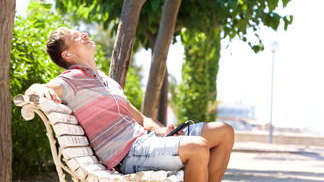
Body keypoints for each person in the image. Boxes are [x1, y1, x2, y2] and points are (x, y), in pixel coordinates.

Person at [25, 27, 234, 182]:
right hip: (128, 154)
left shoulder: (107, 81)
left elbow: (142, 120)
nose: (83, 35)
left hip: (146, 141)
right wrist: (37, 88)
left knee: (224, 132)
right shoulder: (73, 79)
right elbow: (37, 89)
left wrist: (164, 131)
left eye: (79, 32)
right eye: (75, 38)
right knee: (198, 147)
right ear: (67, 55)